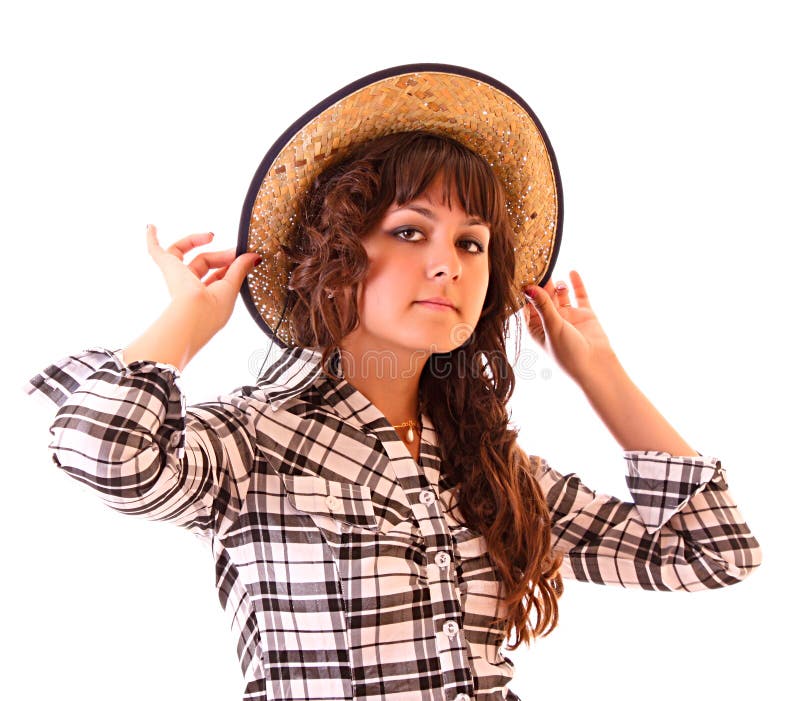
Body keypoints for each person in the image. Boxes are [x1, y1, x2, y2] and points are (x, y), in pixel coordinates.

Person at [25, 65, 761, 701]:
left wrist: (597, 370)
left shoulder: (493, 471)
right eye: (412, 230)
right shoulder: (252, 442)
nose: (451, 264)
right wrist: (187, 321)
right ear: (339, 254)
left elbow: (714, 552)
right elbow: (106, 451)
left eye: (472, 242)